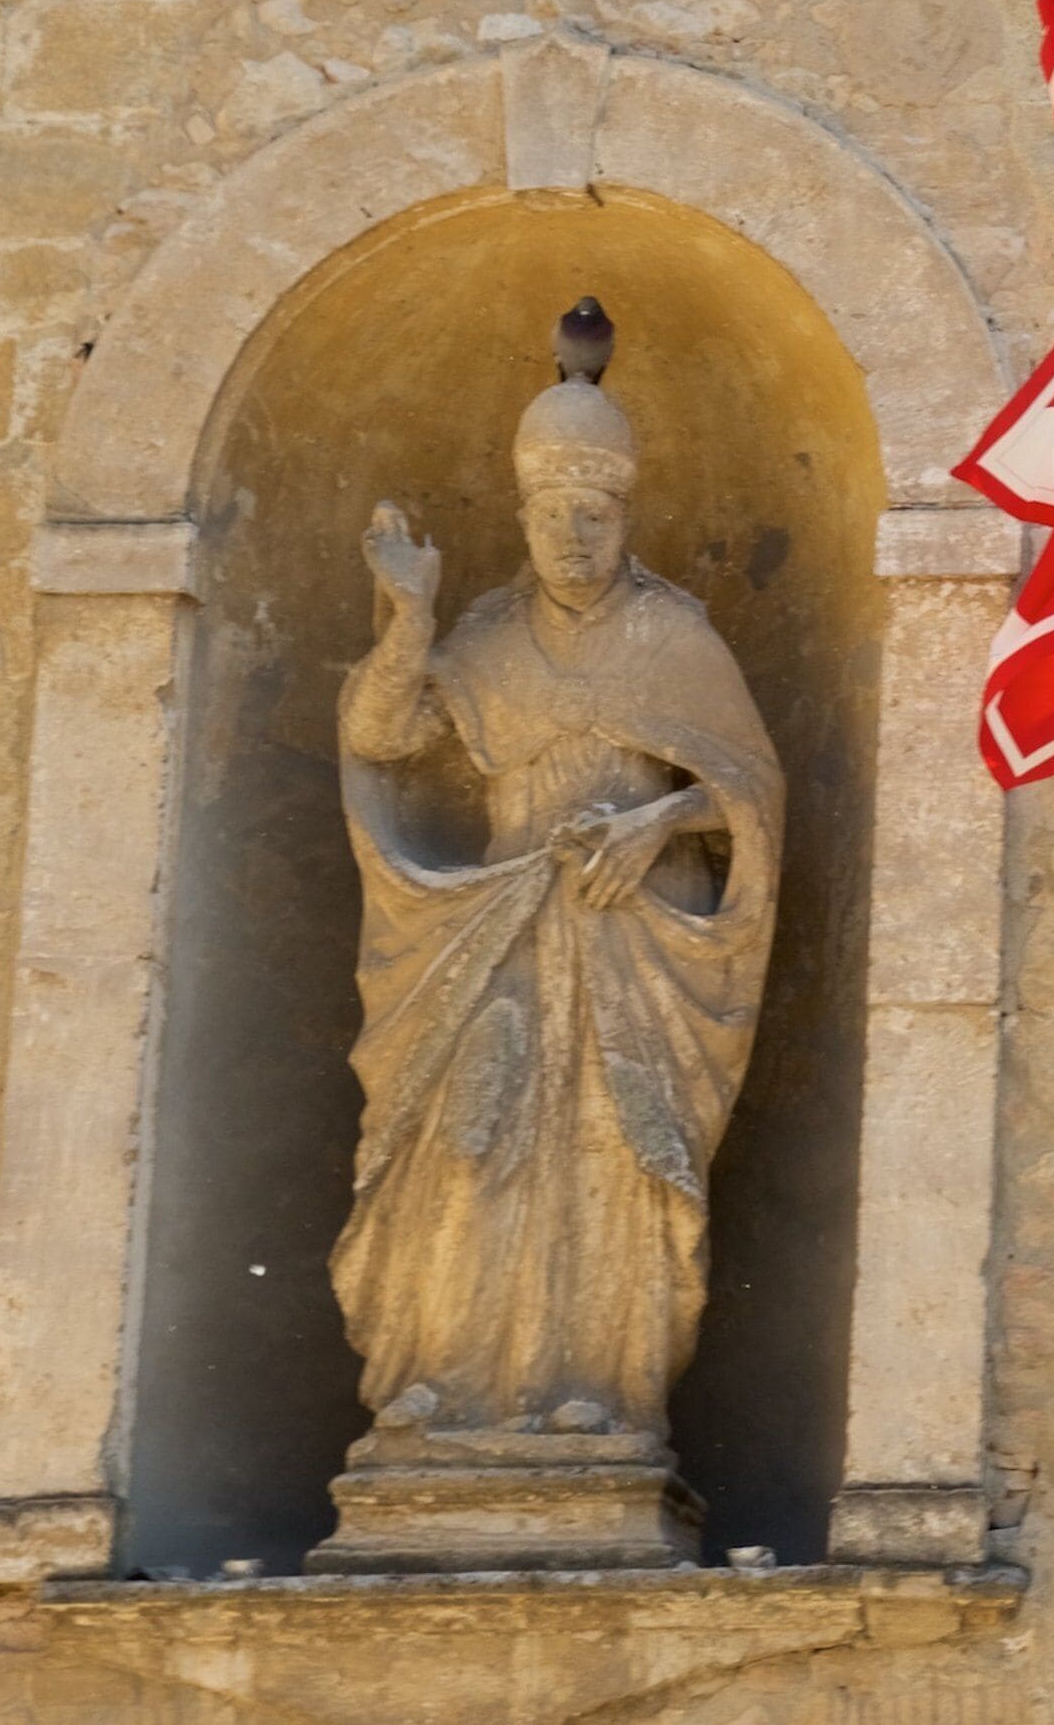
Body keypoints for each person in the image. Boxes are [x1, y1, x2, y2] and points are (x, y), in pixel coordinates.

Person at [328, 318, 782, 1458]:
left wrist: (660, 818)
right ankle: (441, 1382)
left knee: (620, 1150)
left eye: (597, 513)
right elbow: (384, 736)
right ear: (522, 518)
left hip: (629, 945)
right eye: (552, 514)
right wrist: (410, 622)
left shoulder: (671, 634)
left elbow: (754, 793)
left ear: (626, 517)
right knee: (467, 1139)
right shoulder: (482, 638)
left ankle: (604, 1393)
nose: (574, 533)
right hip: (501, 936)